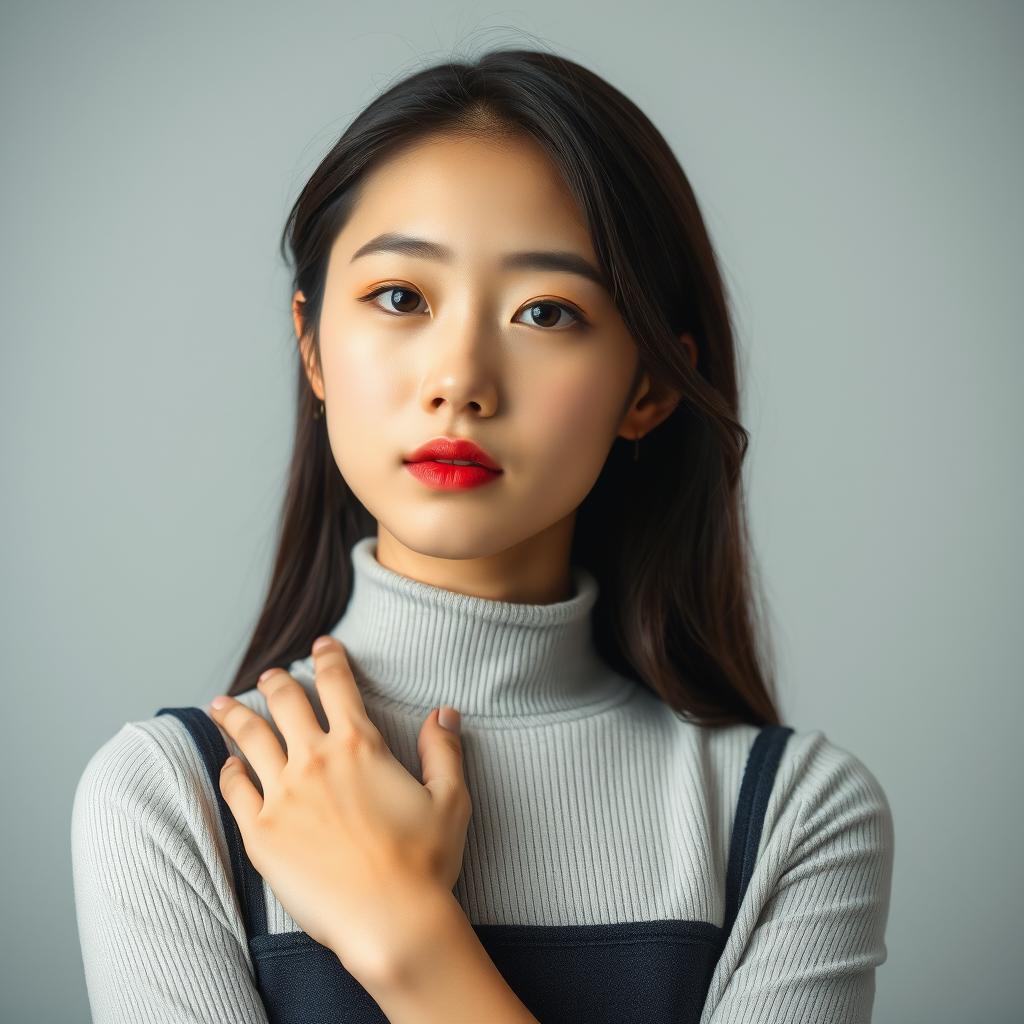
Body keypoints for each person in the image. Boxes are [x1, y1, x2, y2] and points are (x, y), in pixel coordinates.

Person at [71, 47, 894, 1023]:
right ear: (312, 345)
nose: (459, 377)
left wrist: (407, 936)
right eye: (399, 297)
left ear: (650, 388)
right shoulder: (178, 799)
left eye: (546, 311)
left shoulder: (794, 814)